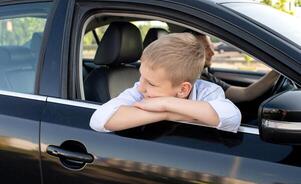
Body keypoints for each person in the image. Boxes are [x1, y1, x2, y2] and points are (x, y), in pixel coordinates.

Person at [90, 33, 241, 133]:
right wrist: (166, 114)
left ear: (183, 90)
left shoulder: (207, 92)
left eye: (151, 83)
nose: (141, 86)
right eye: (141, 75)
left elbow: (232, 118)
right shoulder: (139, 90)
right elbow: (99, 120)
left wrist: (166, 104)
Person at [197, 34, 279, 103]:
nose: (212, 52)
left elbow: (244, 94)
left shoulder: (204, 75)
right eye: (206, 48)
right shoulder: (190, 81)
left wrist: (276, 72)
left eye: (211, 46)